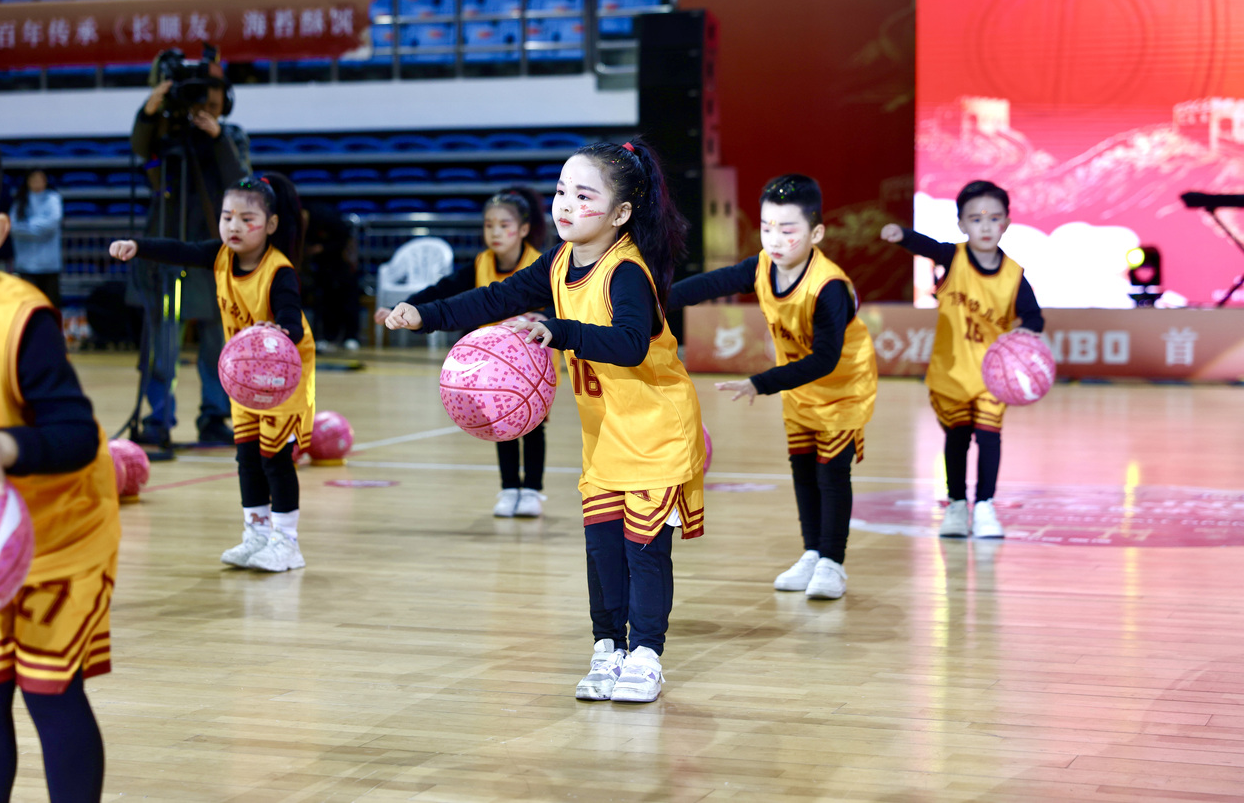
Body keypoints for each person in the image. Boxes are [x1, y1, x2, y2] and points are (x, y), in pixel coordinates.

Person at [382, 140, 705, 704]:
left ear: (620, 213)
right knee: (602, 550)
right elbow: (496, 298)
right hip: (606, 433)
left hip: (654, 429)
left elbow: (631, 344)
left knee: (643, 551)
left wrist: (562, 331)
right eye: (560, 191)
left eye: (583, 195)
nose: (566, 205)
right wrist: (426, 315)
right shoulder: (558, 261)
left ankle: (646, 657)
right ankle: (608, 648)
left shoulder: (626, 271)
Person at [0, 120, 121, 802]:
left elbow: (75, 433)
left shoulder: (20, 317)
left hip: (61, 533)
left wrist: (4, 445)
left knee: (49, 689)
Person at [668, 174, 877, 600]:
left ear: (816, 233)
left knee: (832, 473)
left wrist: (759, 383)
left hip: (842, 388)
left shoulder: (829, 287)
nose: (774, 240)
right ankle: (812, 553)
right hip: (798, 385)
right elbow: (711, 283)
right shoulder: (763, 266)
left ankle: (833, 564)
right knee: (803, 468)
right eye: (767, 228)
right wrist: (653, 298)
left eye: (787, 230)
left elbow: (825, 360)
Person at [109, 174, 314, 572]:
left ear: (271, 224)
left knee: (275, 458)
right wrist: (138, 246)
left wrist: (279, 330)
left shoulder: (279, 271)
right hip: (244, 378)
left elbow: (293, 319)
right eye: (226, 216)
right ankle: (256, 534)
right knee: (247, 456)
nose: (234, 226)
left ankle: (287, 543)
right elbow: (180, 250)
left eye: (246, 219)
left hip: (283, 378)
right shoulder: (220, 255)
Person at [881, 179, 1044, 538]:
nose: (985, 226)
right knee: (957, 438)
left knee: (989, 437)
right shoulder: (952, 258)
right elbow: (926, 245)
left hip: (992, 377)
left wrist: (1024, 334)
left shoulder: (1014, 274)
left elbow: (1034, 317)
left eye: (994, 218)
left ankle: (984, 506)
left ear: (1006, 223)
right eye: (976, 219)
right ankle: (956, 505)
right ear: (961, 224)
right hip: (951, 372)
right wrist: (902, 235)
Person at [389, 186, 550, 518]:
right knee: (501, 424)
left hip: (533, 364)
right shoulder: (480, 263)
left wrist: (544, 317)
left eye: (503, 225)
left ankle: (532, 490)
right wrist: (406, 306)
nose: (495, 232)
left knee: (533, 426)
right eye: (489, 225)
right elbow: (443, 290)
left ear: (523, 229)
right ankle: (509, 488)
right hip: (491, 367)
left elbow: (561, 303)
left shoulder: (541, 264)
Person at [130, 62, 251, 448]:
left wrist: (217, 139)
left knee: (217, 342)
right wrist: (149, 112)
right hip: (166, 251)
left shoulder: (231, 136)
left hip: (212, 253)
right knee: (162, 343)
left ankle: (214, 416)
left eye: (212, 99)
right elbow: (140, 149)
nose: (205, 106)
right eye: (199, 98)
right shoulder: (166, 134)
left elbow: (242, 184)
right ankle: (158, 417)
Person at [301, 201, 363, 353]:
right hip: (323, 268)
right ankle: (328, 337)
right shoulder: (305, 225)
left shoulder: (327, 217)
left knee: (348, 302)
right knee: (325, 302)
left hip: (343, 265)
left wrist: (322, 248)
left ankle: (351, 337)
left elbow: (345, 239)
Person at [9, 168, 63, 311]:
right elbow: (13, 227)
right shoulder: (20, 201)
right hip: (25, 264)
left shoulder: (53, 198)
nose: (37, 182)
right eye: (33, 179)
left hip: (49, 264)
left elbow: (52, 223)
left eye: (40, 179)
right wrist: (38, 226)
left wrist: (27, 226)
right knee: (28, 306)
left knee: (50, 305)